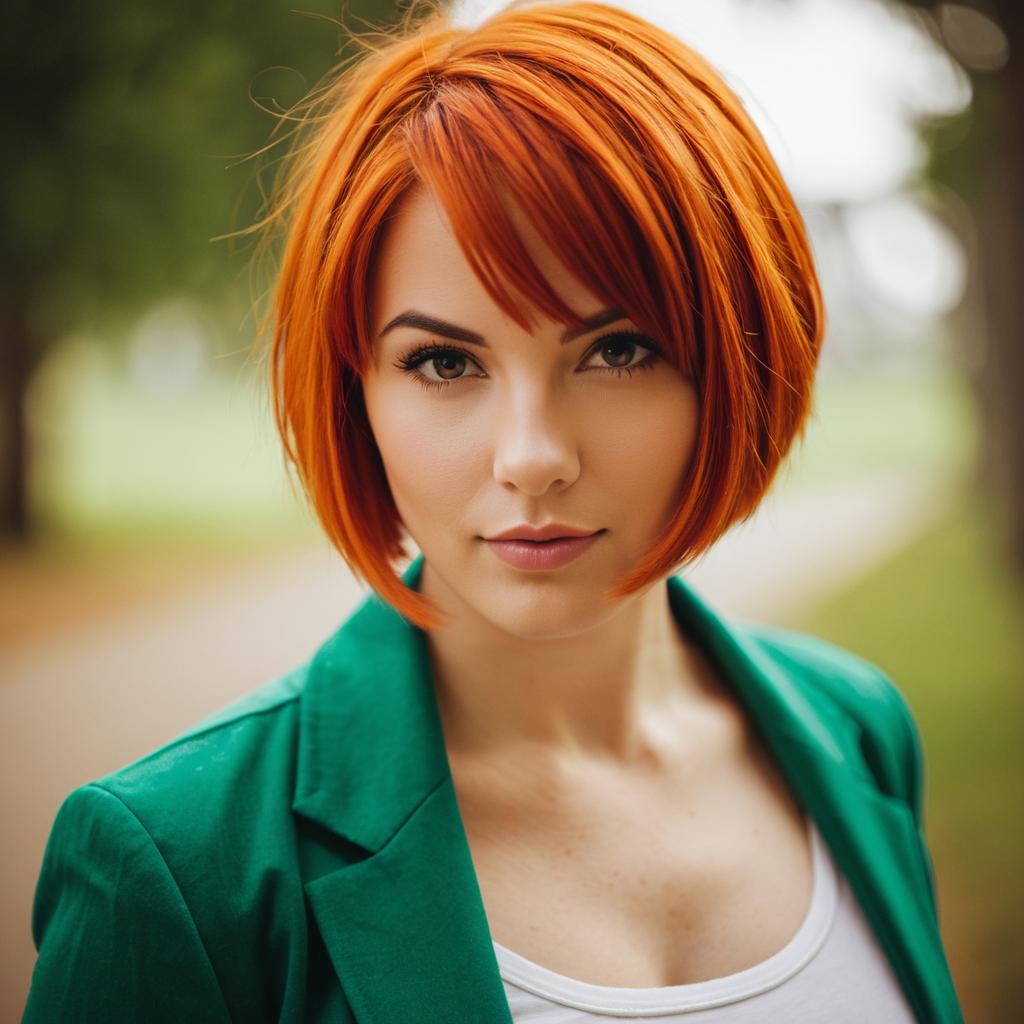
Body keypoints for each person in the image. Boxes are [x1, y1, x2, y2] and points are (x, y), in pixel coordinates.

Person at [22, 1, 965, 1021]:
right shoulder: (175, 861)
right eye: (442, 361)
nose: (532, 457)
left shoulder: (854, 730)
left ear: (736, 356)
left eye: (616, 349)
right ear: (356, 392)